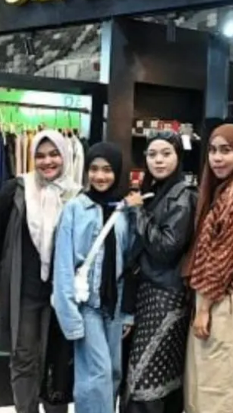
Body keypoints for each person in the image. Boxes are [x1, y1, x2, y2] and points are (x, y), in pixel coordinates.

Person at [0, 130, 80, 413]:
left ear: (65, 155)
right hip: (24, 290)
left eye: (54, 154)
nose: (47, 161)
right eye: (40, 155)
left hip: (62, 294)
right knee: (24, 357)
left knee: (56, 359)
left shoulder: (76, 195)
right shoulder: (16, 189)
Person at [183, 123, 233, 413]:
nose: (217, 158)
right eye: (213, 151)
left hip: (225, 301)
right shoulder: (226, 190)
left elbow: (224, 256)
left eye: (226, 151)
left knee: (219, 385)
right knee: (207, 381)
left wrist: (204, 308)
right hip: (216, 297)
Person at [52, 142, 135, 413]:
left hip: (114, 306)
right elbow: (63, 265)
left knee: (113, 373)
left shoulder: (124, 211)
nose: (100, 176)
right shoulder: (75, 208)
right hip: (86, 305)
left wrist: (127, 313)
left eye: (107, 170)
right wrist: (69, 317)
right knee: (96, 375)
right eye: (94, 169)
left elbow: (129, 263)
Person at [122, 132, 197, 413]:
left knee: (146, 374)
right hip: (148, 291)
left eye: (166, 153)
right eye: (152, 154)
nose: (158, 160)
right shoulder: (154, 191)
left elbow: (165, 248)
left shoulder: (182, 196)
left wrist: (138, 213)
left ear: (178, 156)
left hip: (166, 295)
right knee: (154, 372)